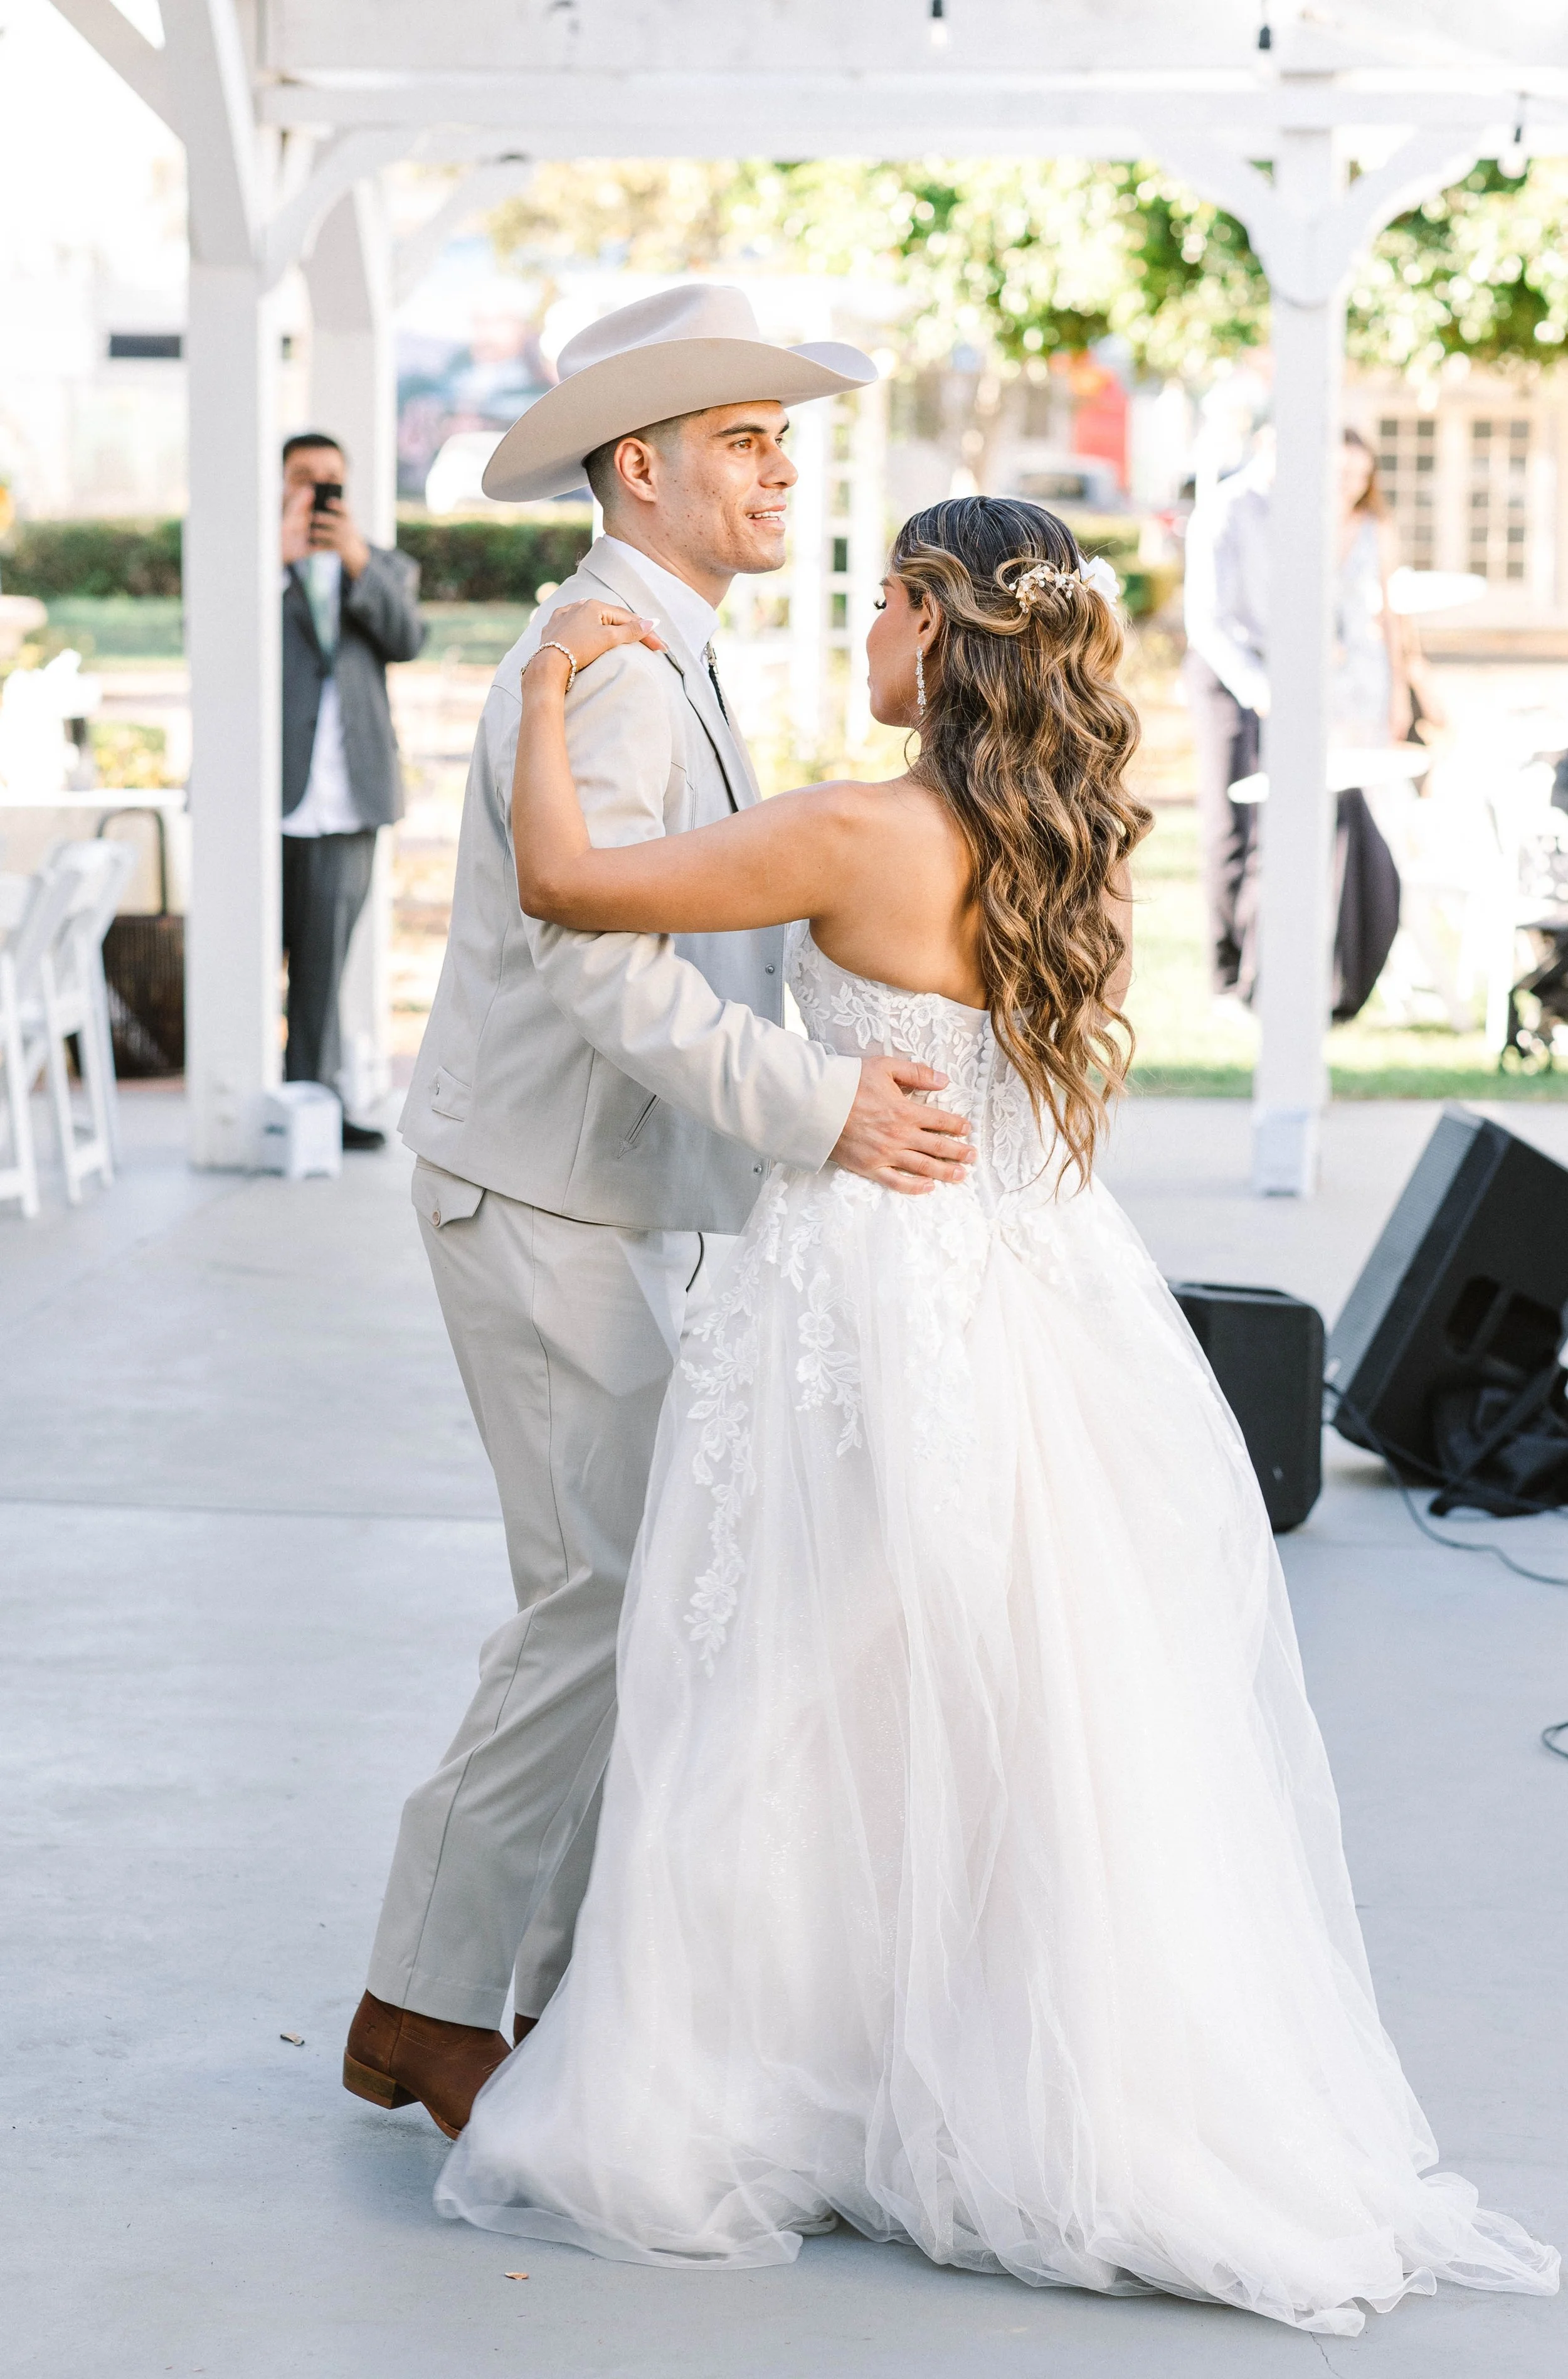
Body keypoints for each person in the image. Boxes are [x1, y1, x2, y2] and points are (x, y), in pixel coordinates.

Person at [435, 496, 1559, 2338]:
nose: (858, 625)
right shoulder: (1074, 843)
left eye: (880, 599)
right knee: (1010, 1695)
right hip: (1039, 1293)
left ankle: (771, 2074)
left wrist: (554, 683)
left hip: (863, 1292)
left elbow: (566, 884)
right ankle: (963, 2064)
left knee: (786, 1680)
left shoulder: (857, 828)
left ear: (939, 636)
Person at [343, 287, 974, 2139]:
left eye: (784, 437)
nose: (780, 466)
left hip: (602, 1193)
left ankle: (533, 1988)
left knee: (621, 1598)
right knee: (601, 1599)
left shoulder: (658, 641)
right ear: (644, 464)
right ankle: (423, 2004)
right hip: (541, 1191)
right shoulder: (612, 656)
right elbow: (602, 966)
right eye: (743, 440)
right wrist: (821, 1110)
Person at [279, 432, 426, 1150]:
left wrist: (356, 561)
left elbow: (408, 639)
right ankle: (267, 1102)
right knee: (253, 954)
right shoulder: (251, 571)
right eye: (303, 480)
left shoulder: (382, 567)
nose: (317, 492)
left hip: (348, 796)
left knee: (322, 964)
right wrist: (275, 562)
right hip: (266, 796)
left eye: (330, 481)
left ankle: (316, 1109)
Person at [1180, 440, 1269, 1001]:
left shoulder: (1307, 508)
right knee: (1228, 825)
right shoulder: (1226, 507)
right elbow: (1206, 622)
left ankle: (1259, 969)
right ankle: (1225, 972)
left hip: (1278, 684)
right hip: (1227, 681)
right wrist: (1258, 690)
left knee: (1271, 826)